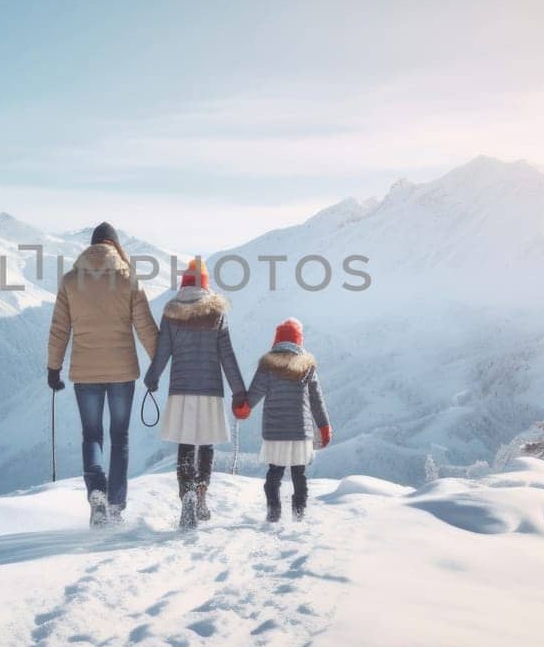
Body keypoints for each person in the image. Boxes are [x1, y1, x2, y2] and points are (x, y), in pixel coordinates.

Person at [47, 222, 160, 526]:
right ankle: (116, 506)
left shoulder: (71, 281)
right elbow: (146, 326)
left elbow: (60, 329)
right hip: (123, 372)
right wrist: (158, 363)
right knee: (119, 437)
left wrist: (53, 368)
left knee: (92, 435)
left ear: (92, 246)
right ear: (115, 245)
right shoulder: (128, 278)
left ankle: (96, 490)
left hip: (85, 373)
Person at [144, 258, 248, 530]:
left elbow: (163, 352)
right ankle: (202, 492)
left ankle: (187, 495)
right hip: (211, 390)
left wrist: (152, 378)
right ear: (206, 284)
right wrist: (239, 392)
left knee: (186, 445)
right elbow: (228, 356)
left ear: (184, 284)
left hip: (181, 390)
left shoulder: (171, 313)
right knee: (207, 444)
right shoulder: (217, 313)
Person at [237, 318, 333, 523]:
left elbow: (255, 393)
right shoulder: (307, 367)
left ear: (276, 340)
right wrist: (324, 426)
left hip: (275, 430)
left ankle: (274, 512)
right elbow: (317, 401)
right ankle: (299, 514)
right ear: (299, 341)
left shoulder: (268, 366)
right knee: (299, 473)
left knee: (274, 472)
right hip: (300, 430)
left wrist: (244, 409)